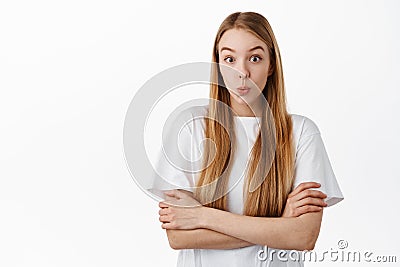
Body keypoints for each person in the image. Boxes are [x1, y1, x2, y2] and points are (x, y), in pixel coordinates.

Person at [151, 11, 344, 267]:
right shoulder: (190, 126)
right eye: (229, 59)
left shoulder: (301, 133)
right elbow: (178, 236)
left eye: (254, 58)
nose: (242, 72)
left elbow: (303, 236)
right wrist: (280, 225)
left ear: (271, 64)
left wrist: (202, 217)